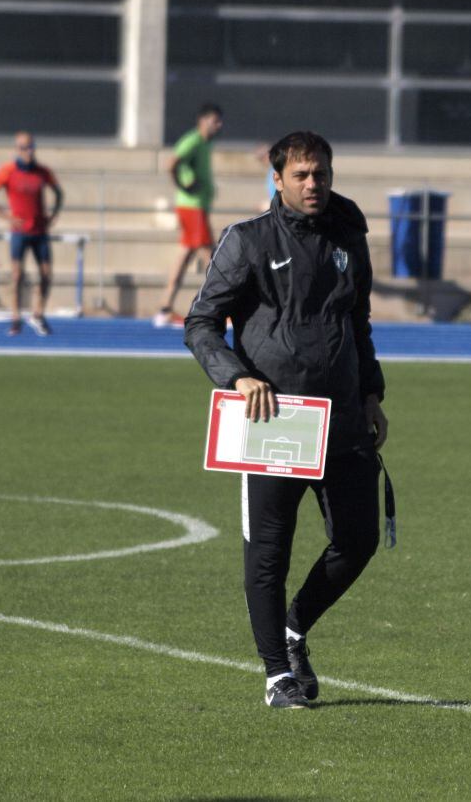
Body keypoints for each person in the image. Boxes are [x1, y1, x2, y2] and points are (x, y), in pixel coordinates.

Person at [184, 131, 389, 709]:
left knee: (358, 541)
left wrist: (371, 393)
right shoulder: (246, 241)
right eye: (300, 175)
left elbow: (359, 322)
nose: (313, 184)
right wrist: (235, 376)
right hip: (274, 419)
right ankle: (278, 674)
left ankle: (295, 628)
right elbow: (200, 324)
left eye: (320, 173)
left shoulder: (350, 235)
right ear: (277, 179)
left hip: (344, 419)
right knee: (268, 553)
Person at [0, 131, 63, 336]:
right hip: (19, 231)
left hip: (39, 231)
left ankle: (38, 314)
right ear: (17, 149)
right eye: (23, 148)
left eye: (31, 147)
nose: (28, 151)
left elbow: (59, 193)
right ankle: (16, 317)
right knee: (17, 275)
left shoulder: (42, 171)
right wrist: (6, 217)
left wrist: (53, 215)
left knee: (46, 274)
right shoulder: (8, 171)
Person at [155, 103, 224, 328]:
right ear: (202, 120)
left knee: (184, 257)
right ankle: (223, 309)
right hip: (192, 208)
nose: (218, 125)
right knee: (211, 259)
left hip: (197, 207)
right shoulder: (192, 140)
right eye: (215, 120)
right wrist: (182, 186)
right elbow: (171, 164)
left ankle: (164, 307)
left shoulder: (205, 143)